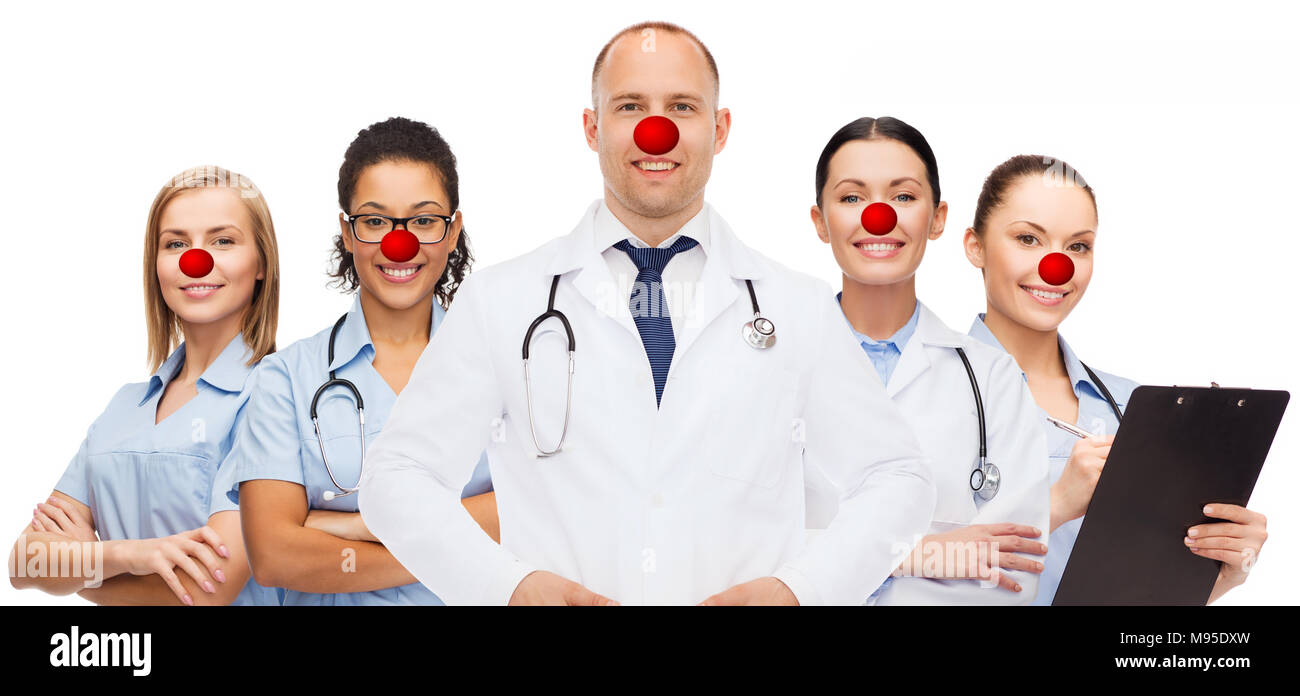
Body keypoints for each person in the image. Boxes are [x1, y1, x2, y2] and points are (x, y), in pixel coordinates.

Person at [355, 21, 935, 606]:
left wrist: (799, 591)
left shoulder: (796, 307)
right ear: (592, 127)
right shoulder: (501, 302)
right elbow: (396, 477)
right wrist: (506, 587)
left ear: (720, 127)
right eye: (630, 106)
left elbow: (898, 479)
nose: (655, 134)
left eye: (681, 107)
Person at [963, 154, 1269, 604]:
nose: (1057, 267)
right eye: (1028, 238)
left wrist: (1218, 572)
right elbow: (881, 574)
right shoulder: (915, 392)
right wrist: (1056, 504)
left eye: (1078, 246)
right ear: (975, 246)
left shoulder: (1132, 408)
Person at [228, 117, 495, 605]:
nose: (401, 243)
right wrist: (449, 539)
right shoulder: (284, 380)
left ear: (453, 231)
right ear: (347, 234)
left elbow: (535, 511)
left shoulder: (504, 366)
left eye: (423, 220)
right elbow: (273, 557)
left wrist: (358, 526)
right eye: (375, 221)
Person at [10, 165, 281, 605]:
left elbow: (207, 588)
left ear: (262, 264)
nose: (198, 260)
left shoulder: (275, 396)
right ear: (156, 266)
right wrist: (132, 554)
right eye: (176, 244)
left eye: (222, 241)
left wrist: (84, 569)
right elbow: (26, 565)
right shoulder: (123, 407)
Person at [809, 117, 1049, 604]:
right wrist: (917, 555)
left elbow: (1015, 573)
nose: (879, 216)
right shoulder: (765, 368)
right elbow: (739, 554)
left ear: (936, 218)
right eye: (852, 197)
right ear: (820, 222)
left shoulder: (993, 379)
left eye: (903, 196)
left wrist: (834, 562)